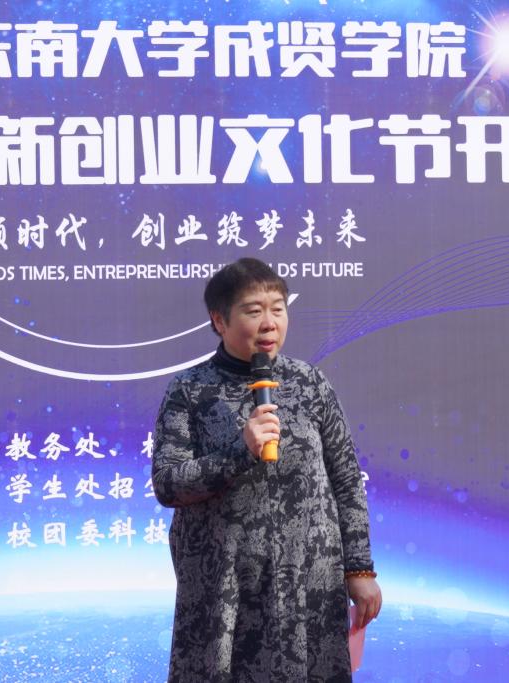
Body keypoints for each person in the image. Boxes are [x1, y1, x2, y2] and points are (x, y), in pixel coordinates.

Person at [151, 257, 382, 682]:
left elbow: (347, 481)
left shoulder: (310, 383)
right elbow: (168, 483)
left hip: (309, 583)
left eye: (278, 309)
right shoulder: (189, 390)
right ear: (219, 320)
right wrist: (240, 451)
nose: (269, 323)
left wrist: (360, 569)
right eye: (253, 311)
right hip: (225, 588)